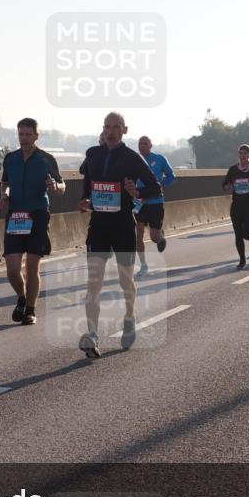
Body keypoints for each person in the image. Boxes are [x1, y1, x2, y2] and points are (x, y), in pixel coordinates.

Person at [77, 112, 161, 358]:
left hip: (123, 225)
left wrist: (137, 193)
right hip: (98, 226)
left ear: (125, 130)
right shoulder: (93, 154)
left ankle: (130, 316)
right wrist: (85, 200)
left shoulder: (132, 158)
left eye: (116, 127)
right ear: (103, 129)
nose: (111, 131)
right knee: (94, 282)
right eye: (107, 127)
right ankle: (92, 335)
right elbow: (87, 186)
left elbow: (155, 187)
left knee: (126, 281)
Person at [0, 118, 65, 326]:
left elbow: (62, 185)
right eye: (21, 134)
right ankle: (21, 297)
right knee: (12, 269)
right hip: (16, 215)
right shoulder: (10, 159)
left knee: (32, 266)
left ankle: (30, 309)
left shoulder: (46, 159)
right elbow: (5, 182)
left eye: (28, 135)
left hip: (38, 214)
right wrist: (5, 195)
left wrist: (55, 187)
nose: (24, 138)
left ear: (36, 136)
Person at [134, 135, 175, 276]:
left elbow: (171, 175)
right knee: (138, 234)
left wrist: (163, 185)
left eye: (145, 144)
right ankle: (143, 266)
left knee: (154, 237)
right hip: (139, 202)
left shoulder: (159, 159)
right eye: (140, 143)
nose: (142, 146)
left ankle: (160, 237)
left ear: (150, 146)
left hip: (155, 202)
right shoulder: (133, 160)